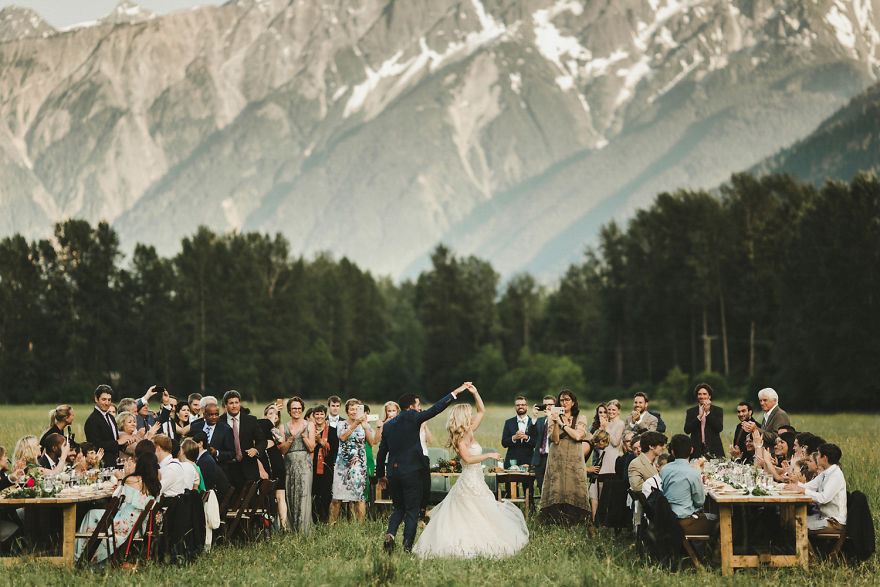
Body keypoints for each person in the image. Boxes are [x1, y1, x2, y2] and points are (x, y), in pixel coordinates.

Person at [413, 385, 528, 558]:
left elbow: (482, 411)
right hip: (468, 480)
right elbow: (467, 459)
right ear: (463, 417)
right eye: (469, 413)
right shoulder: (459, 438)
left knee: (483, 511)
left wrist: (475, 393)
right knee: (468, 512)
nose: (472, 415)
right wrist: (488, 454)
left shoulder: (470, 431)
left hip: (477, 479)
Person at [376, 384, 466, 553]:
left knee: (398, 508)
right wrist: (455, 392)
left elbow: (382, 453)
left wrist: (381, 475)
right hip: (412, 472)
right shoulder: (413, 417)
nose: (419, 408)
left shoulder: (387, 426)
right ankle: (407, 548)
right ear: (411, 407)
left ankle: (390, 534)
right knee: (411, 511)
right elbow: (436, 408)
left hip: (394, 473)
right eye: (417, 405)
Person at [74, 451, 161, 564]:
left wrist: (122, 476)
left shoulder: (133, 480)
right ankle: (87, 554)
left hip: (124, 525)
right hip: (139, 526)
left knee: (91, 515)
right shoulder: (155, 484)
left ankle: (79, 556)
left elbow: (116, 496)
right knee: (93, 514)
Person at [539, 389, 591, 525]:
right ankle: (554, 520)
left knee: (576, 485)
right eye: (561, 400)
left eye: (567, 400)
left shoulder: (581, 417)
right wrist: (556, 422)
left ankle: (579, 521)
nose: (564, 403)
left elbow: (578, 436)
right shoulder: (552, 417)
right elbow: (555, 439)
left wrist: (563, 424)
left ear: (573, 402)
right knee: (557, 486)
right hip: (557, 457)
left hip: (575, 458)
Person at [661, 434, 717, 535]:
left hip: (667, 518)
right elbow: (700, 502)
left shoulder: (665, 469)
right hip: (685, 522)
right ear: (691, 450)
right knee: (723, 519)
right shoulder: (693, 472)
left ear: (672, 452)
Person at [330, 398, 374, 524]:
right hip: (342, 466)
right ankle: (332, 524)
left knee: (359, 498)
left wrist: (365, 427)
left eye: (357, 409)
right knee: (336, 498)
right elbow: (343, 437)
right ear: (347, 411)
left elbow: (371, 443)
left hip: (359, 466)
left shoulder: (366, 425)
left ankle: (358, 526)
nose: (354, 412)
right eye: (351, 409)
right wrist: (355, 424)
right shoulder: (341, 424)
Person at [785, 443, 846, 531]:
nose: (817, 458)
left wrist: (801, 489)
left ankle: (805, 545)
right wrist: (796, 483)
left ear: (825, 458)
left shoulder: (836, 475)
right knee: (790, 521)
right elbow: (809, 487)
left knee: (796, 525)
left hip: (834, 521)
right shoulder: (826, 473)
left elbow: (823, 498)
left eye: (818, 455)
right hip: (822, 516)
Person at [279, 397, 315, 533]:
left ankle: (304, 529)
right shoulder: (284, 427)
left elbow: (311, 448)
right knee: (290, 494)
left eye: (299, 408)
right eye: (294, 408)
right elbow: (282, 449)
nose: (297, 411)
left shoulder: (309, 425)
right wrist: (291, 438)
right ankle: (291, 528)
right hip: (289, 463)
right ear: (289, 410)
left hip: (305, 464)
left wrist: (303, 435)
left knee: (304, 494)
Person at [221, 390, 265, 489]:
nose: (234, 406)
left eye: (236, 402)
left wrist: (256, 449)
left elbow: (262, 440)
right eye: (231, 403)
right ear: (225, 405)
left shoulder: (251, 420)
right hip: (228, 469)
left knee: (250, 501)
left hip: (248, 468)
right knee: (230, 502)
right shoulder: (220, 421)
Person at [500, 396, 536, 501]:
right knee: (510, 491)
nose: (520, 407)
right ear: (515, 407)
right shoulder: (509, 422)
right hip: (511, 461)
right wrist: (514, 438)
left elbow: (537, 443)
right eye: (518, 405)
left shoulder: (533, 422)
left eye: (523, 405)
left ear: (527, 407)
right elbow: (504, 443)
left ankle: (529, 513)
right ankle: (512, 512)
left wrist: (527, 437)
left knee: (528, 490)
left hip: (528, 460)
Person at [258, 403, 287, 526]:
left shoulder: (278, 429)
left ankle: (284, 526)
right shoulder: (260, 425)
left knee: (281, 495)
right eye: (270, 413)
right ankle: (270, 524)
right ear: (265, 415)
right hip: (264, 459)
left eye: (275, 414)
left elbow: (280, 440)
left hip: (275, 459)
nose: (273, 416)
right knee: (267, 494)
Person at [311, 405, 339, 523]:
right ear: (313, 416)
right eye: (316, 414)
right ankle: (314, 520)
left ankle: (325, 520)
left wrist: (320, 441)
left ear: (325, 415)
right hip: (311, 467)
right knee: (314, 495)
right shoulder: (310, 429)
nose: (319, 416)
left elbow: (334, 449)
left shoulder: (332, 431)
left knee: (325, 495)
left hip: (326, 467)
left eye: (321, 414)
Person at [683, 383, 724, 459]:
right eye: (699, 394)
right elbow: (687, 430)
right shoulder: (691, 411)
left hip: (714, 448)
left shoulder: (717, 410)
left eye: (704, 394)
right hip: (696, 449)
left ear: (709, 396)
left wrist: (708, 412)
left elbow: (719, 428)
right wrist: (699, 416)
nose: (702, 396)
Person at [84, 384, 121, 465]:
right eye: (104, 399)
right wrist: (118, 442)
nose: (107, 403)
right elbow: (95, 445)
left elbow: (114, 439)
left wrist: (126, 442)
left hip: (115, 463)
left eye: (109, 400)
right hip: (101, 464)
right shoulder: (92, 420)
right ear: (96, 399)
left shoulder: (111, 417)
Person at [192, 431, 230, 497]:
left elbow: (205, 483)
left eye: (192, 444)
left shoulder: (205, 461)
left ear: (200, 444)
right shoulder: (204, 458)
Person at [530, 395, 556, 491]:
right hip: (540, 458)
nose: (548, 407)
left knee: (553, 486)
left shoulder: (559, 420)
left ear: (555, 406)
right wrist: (534, 417)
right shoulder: (540, 420)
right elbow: (531, 433)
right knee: (541, 486)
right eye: (545, 405)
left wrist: (550, 418)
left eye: (550, 404)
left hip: (553, 457)